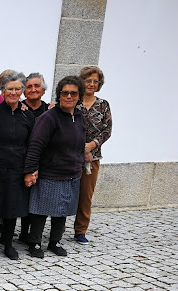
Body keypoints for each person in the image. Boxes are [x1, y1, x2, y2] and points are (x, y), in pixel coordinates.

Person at [24, 76, 86, 258]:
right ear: (59, 95)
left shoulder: (80, 117)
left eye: (73, 93)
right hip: (50, 172)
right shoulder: (49, 118)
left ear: (79, 96)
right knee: (41, 210)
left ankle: (55, 241)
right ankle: (34, 243)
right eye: (64, 93)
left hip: (72, 172)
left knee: (63, 210)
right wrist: (30, 170)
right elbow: (35, 145)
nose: (68, 96)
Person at [0, 72, 35, 260]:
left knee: (12, 208)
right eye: (9, 89)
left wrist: (29, 169)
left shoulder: (27, 115)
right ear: (3, 91)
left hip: (17, 169)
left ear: (22, 91)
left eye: (17, 89)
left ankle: (8, 244)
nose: (13, 92)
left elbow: (31, 143)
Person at [74, 66, 112, 245]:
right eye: (88, 80)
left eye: (95, 81)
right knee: (63, 192)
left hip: (93, 158)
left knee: (85, 196)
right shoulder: (72, 99)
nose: (91, 84)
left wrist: (91, 146)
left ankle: (80, 230)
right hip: (70, 155)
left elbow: (107, 130)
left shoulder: (103, 105)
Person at [18, 72, 51, 243]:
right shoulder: (19, 108)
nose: (33, 89)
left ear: (43, 90)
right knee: (24, 197)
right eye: (29, 86)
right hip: (23, 159)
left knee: (38, 197)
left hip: (44, 161)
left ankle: (34, 232)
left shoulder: (50, 110)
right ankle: (23, 232)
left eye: (37, 86)